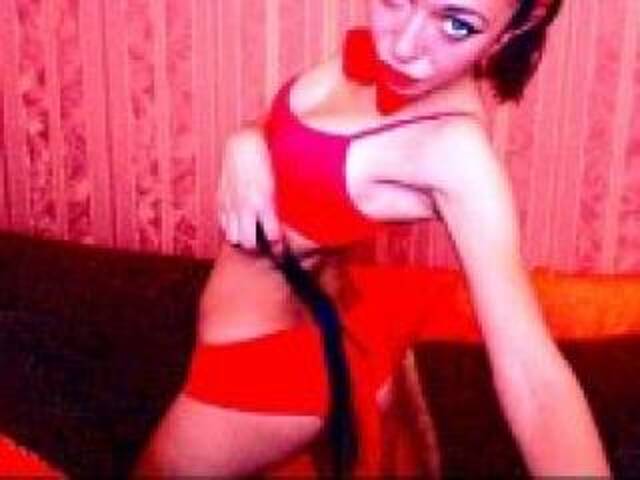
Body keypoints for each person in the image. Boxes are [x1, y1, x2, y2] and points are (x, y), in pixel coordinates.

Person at [135, 0, 611, 477]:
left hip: (264, 369)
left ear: (518, 26)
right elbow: (290, 133)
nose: (403, 46)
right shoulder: (368, 63)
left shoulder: (454, 152)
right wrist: (245, 142)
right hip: (327, 330)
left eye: (456, 24)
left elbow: (533, 374)